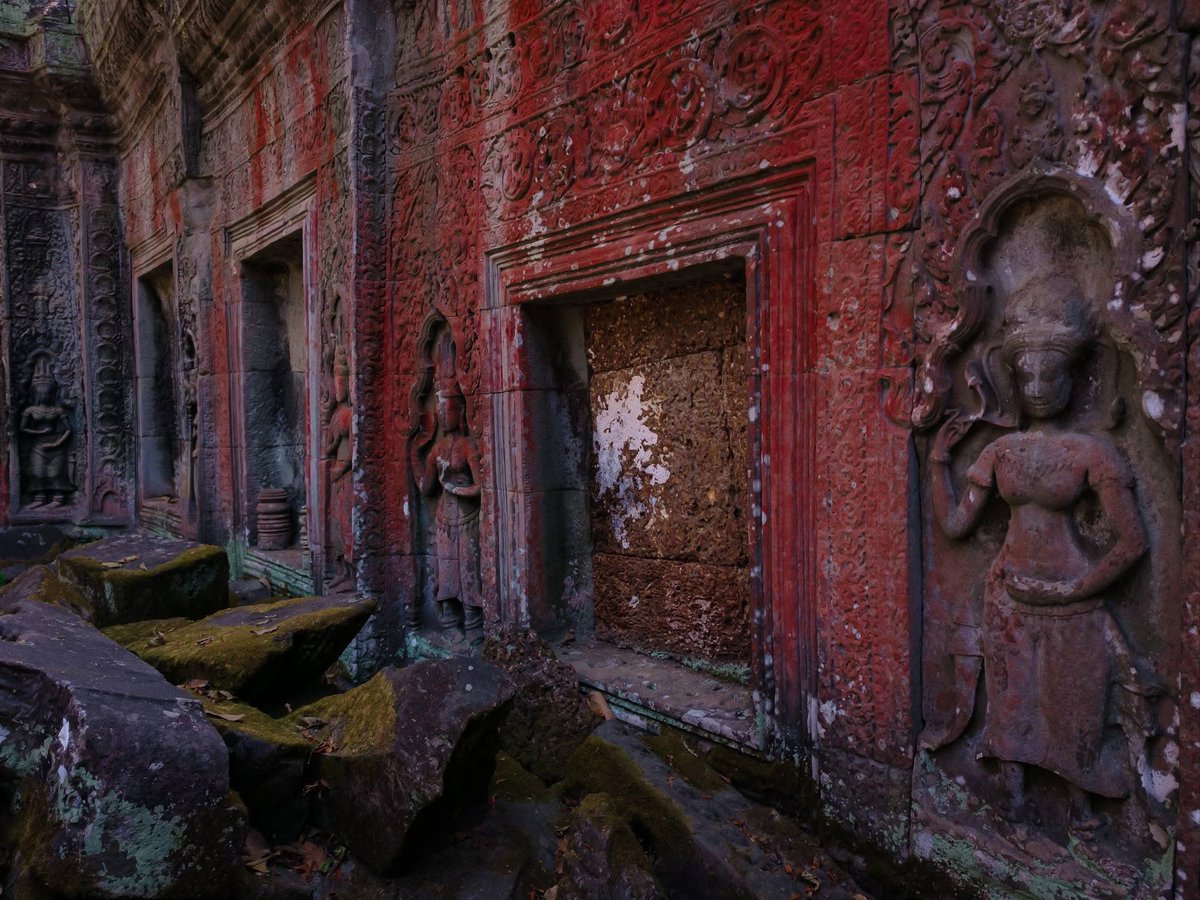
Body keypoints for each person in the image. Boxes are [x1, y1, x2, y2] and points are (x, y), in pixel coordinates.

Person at [930, 274, 1158, 829]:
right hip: (1008, 591)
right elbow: (958, 525)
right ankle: (1012, 799)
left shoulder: (1091, 452)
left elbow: (1133, 542)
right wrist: (939, 463)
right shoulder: (1001, 452)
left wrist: (1078, 588)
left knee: (1073, 707)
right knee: (1013, 703)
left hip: (1075, 596)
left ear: (1073, 376)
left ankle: (1079, 807)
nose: (1036, 386)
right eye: (1026, 373)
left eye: (1048, 373)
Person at [412, 381, 483, 645]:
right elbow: (427, 489)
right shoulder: (438, 449)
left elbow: (481, 488)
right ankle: (449, 622)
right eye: (439, 411)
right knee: (447, 573)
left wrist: (455, 489)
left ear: (460, 413)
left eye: (448, 410)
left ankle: (474, 623)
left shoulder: (467, 446)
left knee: (468, 571)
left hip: (467, 518)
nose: (443, 416)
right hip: (443, 520)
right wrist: (416, 456)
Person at [20, 354, 74, 510]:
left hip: (57, 445)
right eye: (40, 393)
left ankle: (59, 498)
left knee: (56, 472)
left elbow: (69, 429)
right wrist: (39, 433)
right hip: (38, 446)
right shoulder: (30, 410)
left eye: (47, 393)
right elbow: (22, 429)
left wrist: (57, 443)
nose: (43, 396)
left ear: (53, 394)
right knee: (38, 472)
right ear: (34, 394)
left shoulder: (57, 410)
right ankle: (39, 497)